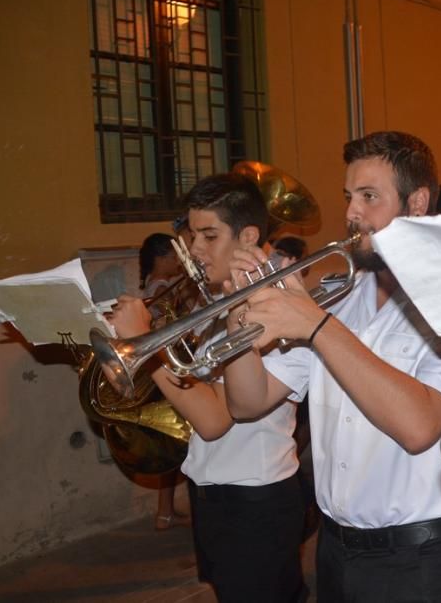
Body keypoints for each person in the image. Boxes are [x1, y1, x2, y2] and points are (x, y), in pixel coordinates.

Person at [222, 131, 441, 602]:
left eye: (370, 197)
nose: (352, 213)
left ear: (416, 202)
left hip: (422, 561)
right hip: (334, 550)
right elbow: (247, 403)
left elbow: (418, 425)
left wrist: (315, 326)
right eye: (349, 197)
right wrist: (239, 315)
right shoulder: (340, 293)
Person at [107, 174, 305, 603]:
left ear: (248, 235)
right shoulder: (215, 297)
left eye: (209, 235)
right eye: (193, 234)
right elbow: (192, 382)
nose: (194, 248)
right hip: (212, 487)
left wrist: (144, 347)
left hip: (256, 499)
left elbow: (216, 418)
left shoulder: (286, 306)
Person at [137, 232, 189, 531]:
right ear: (161, 258)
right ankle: (166, 511)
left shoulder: (152, 285)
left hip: (163, 367)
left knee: (170, 444)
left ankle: (164, 511)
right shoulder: (161, 287)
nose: (179, 262)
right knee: (176, 443)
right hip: (168, 369)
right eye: (174, 257)